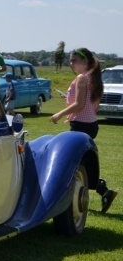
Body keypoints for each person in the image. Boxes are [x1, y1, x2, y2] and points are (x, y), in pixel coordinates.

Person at [50, 47, 116, 213]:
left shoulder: (81, 78)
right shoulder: (93, 77)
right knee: (80, 162)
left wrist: (59, 114)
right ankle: (104, 192)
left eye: (74, 60)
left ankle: (72, 199)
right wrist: (69, 100)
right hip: (90, 124)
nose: (71, 63)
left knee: (72, 164)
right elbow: (92, 105)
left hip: (81, 125)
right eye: (70, 60)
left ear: (85, 61)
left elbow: (79, 105)